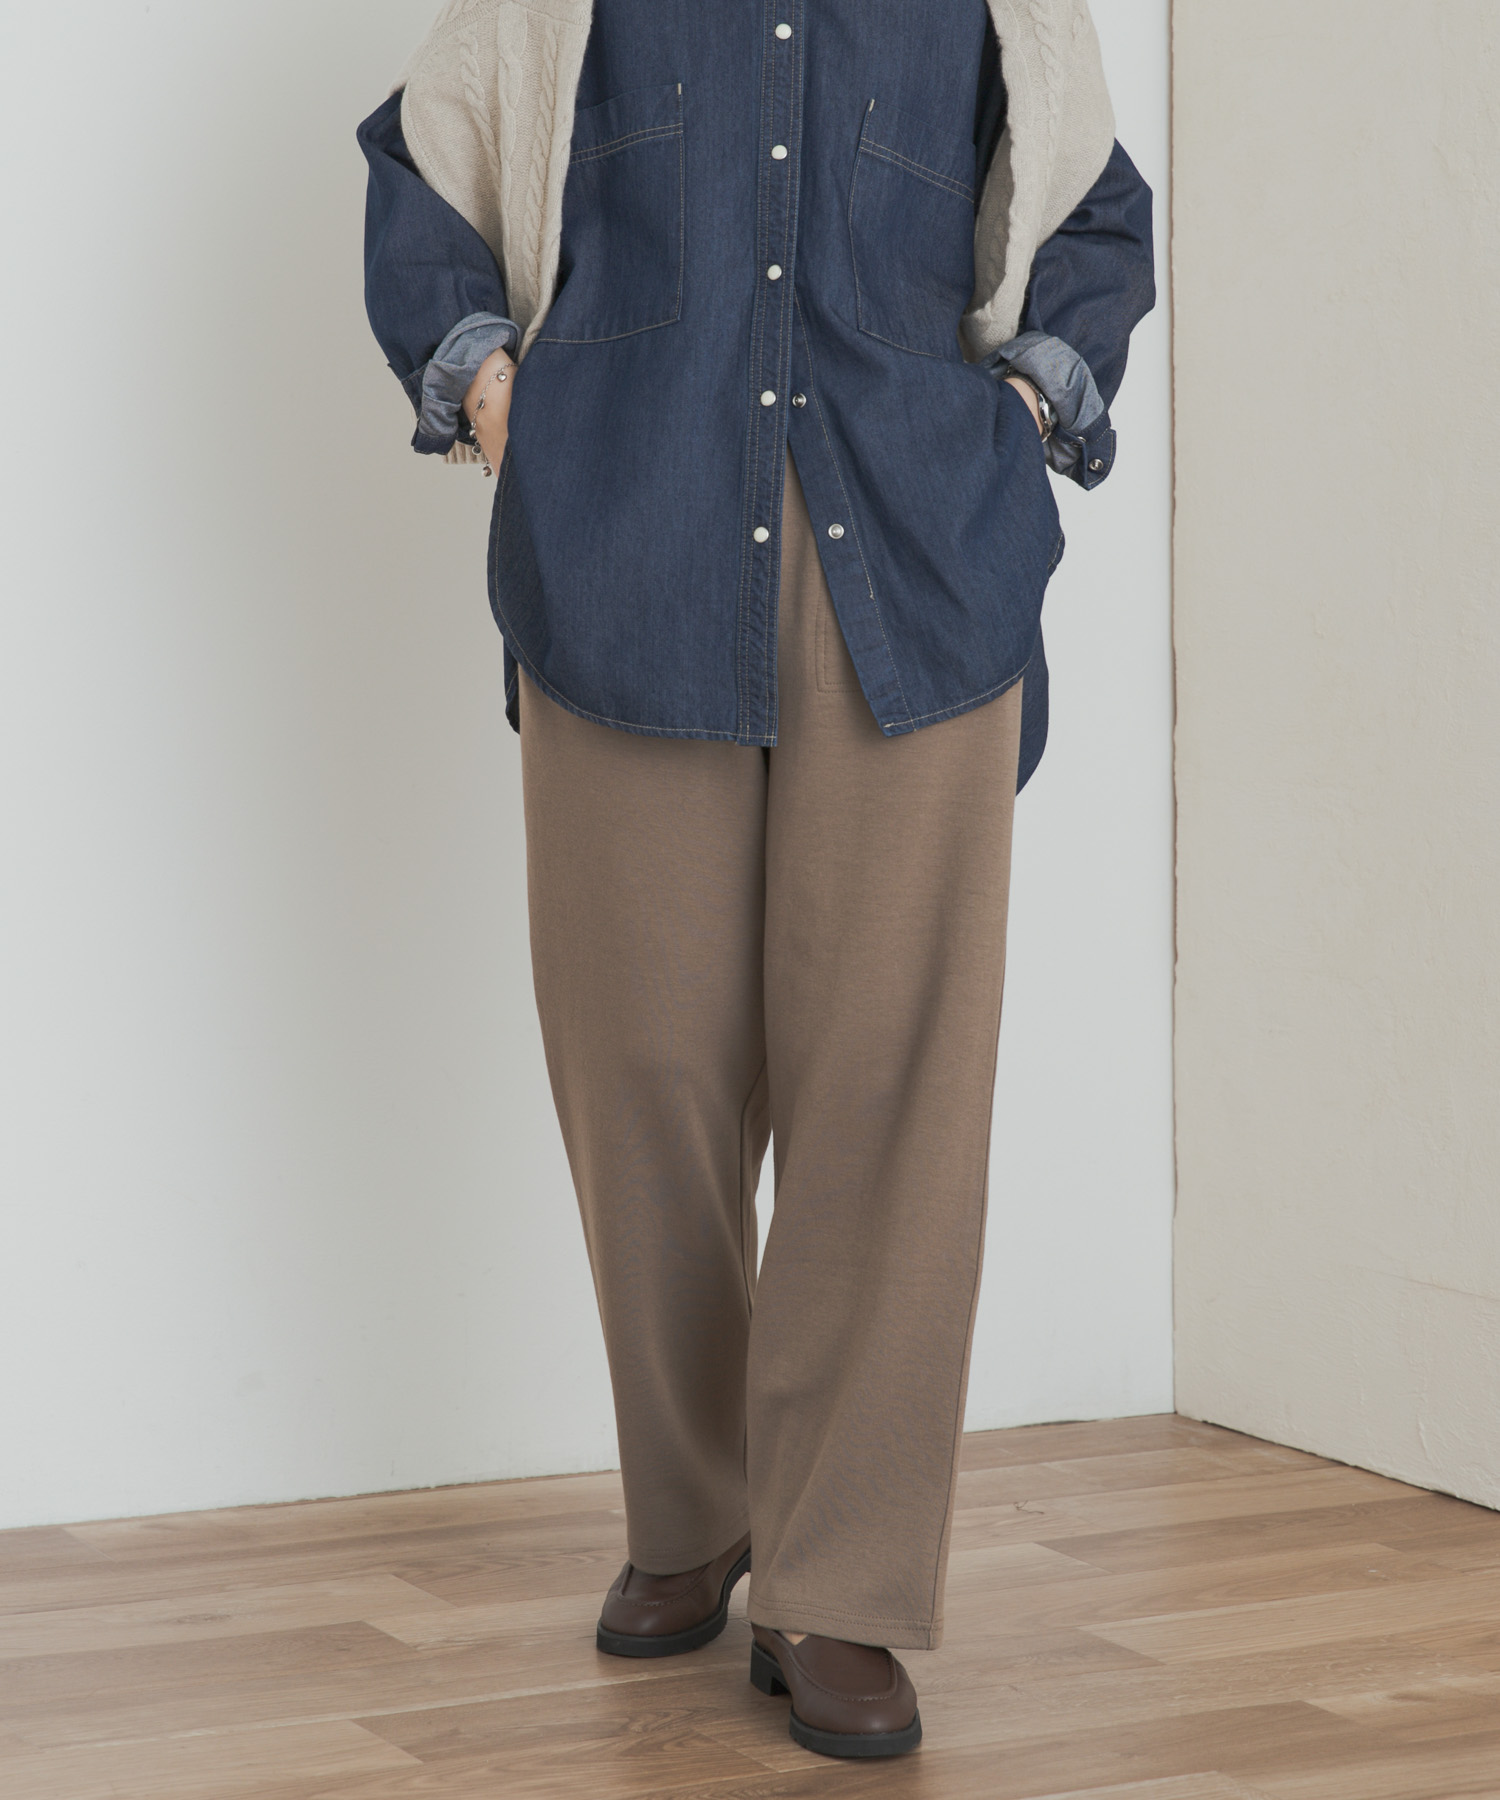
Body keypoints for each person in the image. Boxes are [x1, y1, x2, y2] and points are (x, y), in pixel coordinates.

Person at [360, 0, 1153, 1760]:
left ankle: (838, 1583)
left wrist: (1023, 411)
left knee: (889, 1087)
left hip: (916, 568)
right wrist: (494, 391)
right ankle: (699, 1506)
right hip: (622, 551)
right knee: (641, 1066)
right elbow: (423, 173)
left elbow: (1096, 204)